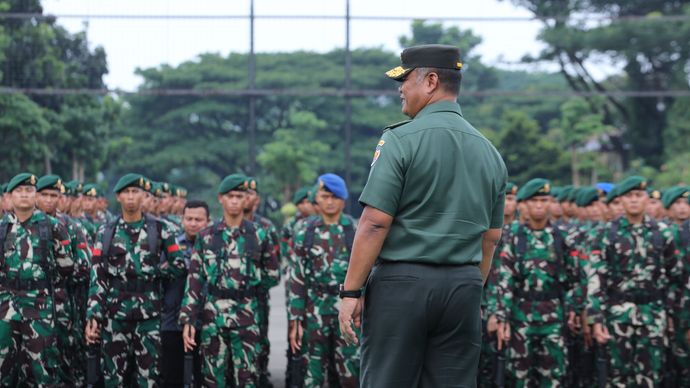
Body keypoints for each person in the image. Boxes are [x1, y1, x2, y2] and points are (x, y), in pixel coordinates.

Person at [338, 44, 508, 387]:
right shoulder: (489, 151)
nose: (400, 88)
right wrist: (468, 285)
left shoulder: (400, 140)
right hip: (464, 285)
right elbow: (490, 238)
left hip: (403, 285)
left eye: (405, 80)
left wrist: (350, 293)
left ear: (431, 81)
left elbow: (375, 222)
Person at [84, 173, 186, 387]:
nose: (131, 197)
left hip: (148, 315)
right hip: (114, 314)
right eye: (126, 192)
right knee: (113, 377)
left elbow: (179, 265)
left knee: (148, 376)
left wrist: (155, 272)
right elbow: (97, 274)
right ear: (118, 197)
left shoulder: (160, 229)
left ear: (143, 196)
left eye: (135, 192)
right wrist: (94, 313)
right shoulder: (105, 231)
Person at [179, 174, 280, 387]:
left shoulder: (259, 235)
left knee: (247, 378)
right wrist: (188, 318)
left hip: (247, 318)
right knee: (212, 379)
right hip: (213, 318)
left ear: (246, 200)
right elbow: (195, 279)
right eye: (230, 196)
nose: (234, 200)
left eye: (239, 196)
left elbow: (272, 275)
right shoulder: (206, 236)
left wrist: (248, 291)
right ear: (220, 199)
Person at [587, 176, 683, 386]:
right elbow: (596, 278)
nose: (633, 200)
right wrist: (596, 319)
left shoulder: (662, 233)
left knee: (651, 375)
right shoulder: (605, 233)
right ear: (620, 200)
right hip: (617, 315)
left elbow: (675, 276)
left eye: (638, 196)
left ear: (647, 199)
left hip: (653, 315)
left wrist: (670, 314)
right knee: (618, 377)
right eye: (629, 196)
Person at [494, 179, 581, 387]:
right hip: (521, 317)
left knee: (553, 376)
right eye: (534, 201)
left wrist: (573, 308)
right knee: (519, 377)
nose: (540, 205)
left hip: (553, 318)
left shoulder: (561, 238)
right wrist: (501, 317)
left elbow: (575, 278)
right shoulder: (513, 237)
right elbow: (504, 279)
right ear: (523, 204)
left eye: (544, 200)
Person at [0, 173, 74, 386]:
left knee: (42, 368)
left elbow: (66, 266)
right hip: (6, 308)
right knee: (5, 368)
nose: (24, 195)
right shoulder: (3, 228)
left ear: (35, 195)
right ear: (10, 196)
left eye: (29, 190)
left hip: (39, 307)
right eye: (19, 191)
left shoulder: (51, 226)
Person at [288, 174, 360, 387]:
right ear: (316, 199)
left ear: (343, 200)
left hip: (346, 311)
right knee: (313, 374)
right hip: (314, 311)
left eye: (335, 197)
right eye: (325, 196)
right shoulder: (304, 231)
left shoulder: (354, 230)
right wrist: (295, 319)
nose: (329, 201)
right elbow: (297, 278)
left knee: (350, 373)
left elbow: (368, 273)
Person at [35, 174, 92, 385]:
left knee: (66, 361)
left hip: (62, 305)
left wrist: (55, 273)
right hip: (30, 307)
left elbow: (85, 266)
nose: (49, 200)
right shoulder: (22, 225)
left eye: (53, 195)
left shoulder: (72, 227)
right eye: (44, 195)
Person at [161, 200, 210, 388]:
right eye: (189, 218)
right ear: (182, 220)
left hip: (205, 321)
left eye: (199, 219)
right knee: (171, 376)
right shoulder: (170, 245)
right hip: (172, 321)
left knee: (204, 376)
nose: (193, 223)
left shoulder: (214, 246)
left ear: (207, 221)